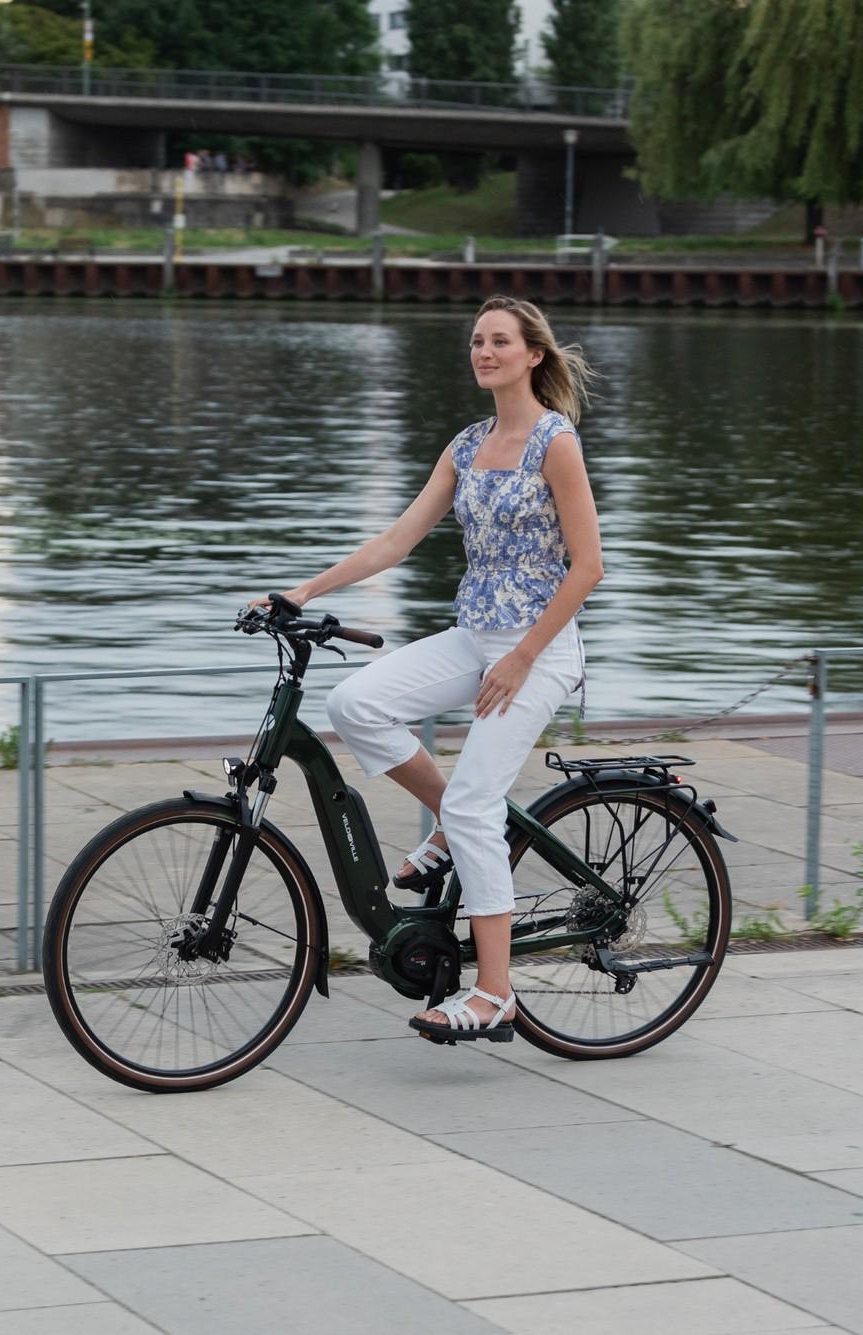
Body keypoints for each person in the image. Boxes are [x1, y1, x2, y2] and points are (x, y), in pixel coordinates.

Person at [252, 296, 603, 1041]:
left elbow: (588, 568)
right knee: (356, 704)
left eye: (499, 341)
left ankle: (496, 993)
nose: (484, 352)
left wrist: (522, 657)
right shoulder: (467, 445)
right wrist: (305, 590)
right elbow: (397, 541)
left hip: (539, 647)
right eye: (477, 341)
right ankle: (451, 817)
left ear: (533, 354)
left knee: (478, 808)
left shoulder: (555, 442)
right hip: (475, 636)